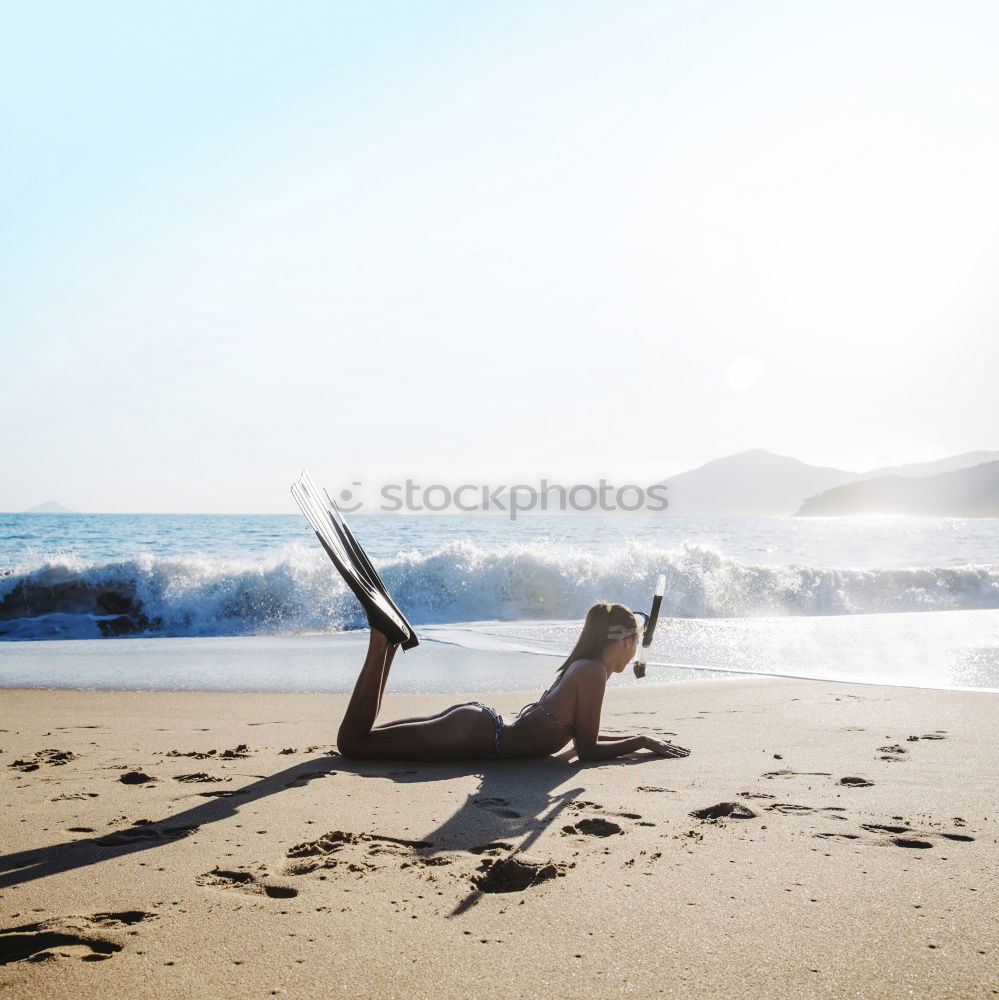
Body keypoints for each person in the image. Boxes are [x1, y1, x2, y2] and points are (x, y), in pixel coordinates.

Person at [336, 601, 691, 762]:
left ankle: (390, 646)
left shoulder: (584, 666)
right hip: (478, 733)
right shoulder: (593, 672)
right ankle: (381, 642)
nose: (635, 655)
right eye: (637, 644)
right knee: (354, 745)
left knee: (364, 740)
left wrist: (639, 739)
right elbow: (587, 751)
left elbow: (583, 738)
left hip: (479, 725)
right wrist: (642, 740)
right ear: (626, 641)